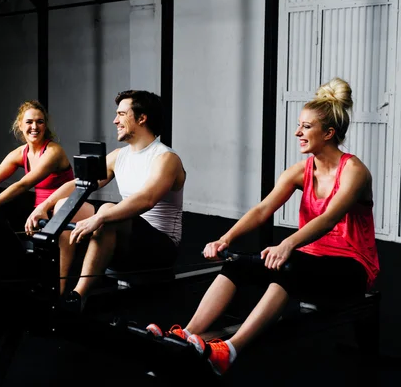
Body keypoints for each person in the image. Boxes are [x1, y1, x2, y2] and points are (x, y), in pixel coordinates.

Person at [146, 77, 380, 376]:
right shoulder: (300, 171)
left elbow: (329, 217)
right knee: (238, 263)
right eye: (300, 125)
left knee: (286, 264)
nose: (298, 132)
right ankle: (184, 336)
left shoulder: (354, 171)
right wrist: (225, 239)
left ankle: (229, 350)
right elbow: (262, 209)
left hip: (352, 268)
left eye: (306, 127)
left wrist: (287, 243)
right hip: (308, 261)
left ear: (329, 132)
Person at [25, 90, 186, 310]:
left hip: (160, 249)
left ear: (141, 118)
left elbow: (147, 199)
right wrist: (44, 207)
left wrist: (101, 217)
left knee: (109, 211)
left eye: (121, 114)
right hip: (128, 238)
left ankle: (77, 297)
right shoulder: (119, 156)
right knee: (65, 206)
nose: (115, 120)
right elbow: (78, 185)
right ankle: (55, 291)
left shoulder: (166, 158)